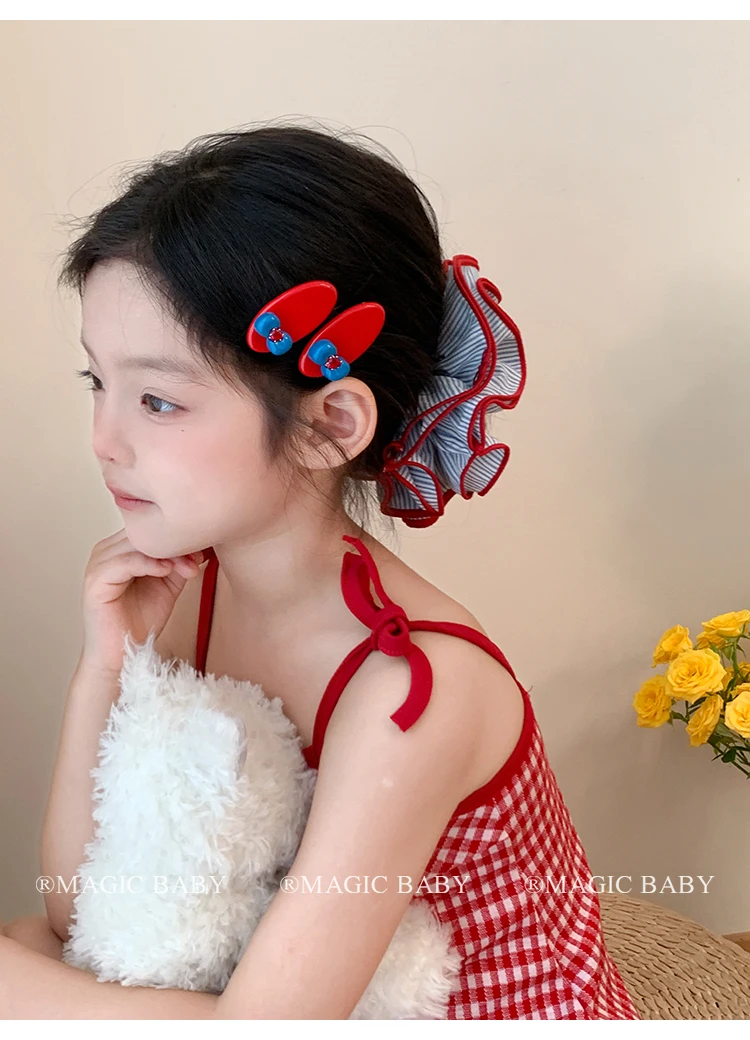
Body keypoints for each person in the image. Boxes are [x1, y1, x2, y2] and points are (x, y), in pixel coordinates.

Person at [12, 123, 639, 1019]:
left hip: (467, 1015)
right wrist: (104, 668)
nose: (105, 440)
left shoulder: (413, 691)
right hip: (307, 989)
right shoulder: (192, 587)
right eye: (96, 384)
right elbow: (85, 919)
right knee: (33, 949)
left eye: (157, 400)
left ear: (329, 425)